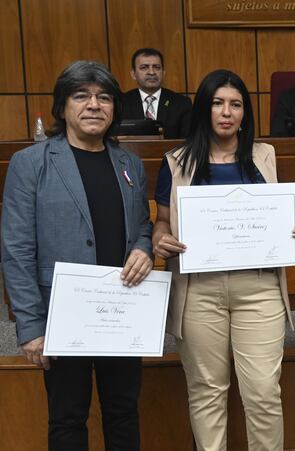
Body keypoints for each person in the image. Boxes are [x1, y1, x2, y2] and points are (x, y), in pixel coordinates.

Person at [2, 60, 153, 450]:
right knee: (68, 416)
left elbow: (142, 227)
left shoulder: (129, 163)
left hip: (122, 309)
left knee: (123, 411)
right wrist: (31, 326)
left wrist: (143, 247)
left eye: (104, 97)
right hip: (60, 314)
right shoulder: (30, 164)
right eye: (81, 95)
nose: (94, 105)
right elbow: (16, 249)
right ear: (63, 106)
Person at [151, 69, 295, 451]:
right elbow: (163, 222)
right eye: (218, 103)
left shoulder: (265, 155)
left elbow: (278, 215)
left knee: (264, 392)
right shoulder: (176, 161)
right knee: (206, 392)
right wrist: (160, 239)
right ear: (204, 108)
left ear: (244, 113)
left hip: (259, 288)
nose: (226, 112)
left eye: (235, 104)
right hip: (198, 291)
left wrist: (291, 229)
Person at [121, 47, 192, 139]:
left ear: (163, 73)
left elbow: (188, 140)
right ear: (133, 74)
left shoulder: (181, 103)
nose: (151, 72)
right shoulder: (121, 102)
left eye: (157, 67)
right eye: (144, 67)